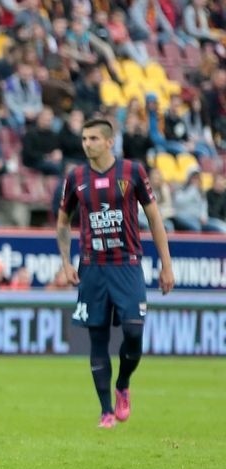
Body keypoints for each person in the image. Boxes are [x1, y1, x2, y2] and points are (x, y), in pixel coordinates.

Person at [56, 118, 174, 429]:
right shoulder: (76, 177)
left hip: (128, 265)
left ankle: (123, 384)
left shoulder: (132, 172)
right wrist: (67, 263)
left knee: (134, 333)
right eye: (84, 138)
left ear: (110, 142)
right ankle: (106, 410)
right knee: (97, 339)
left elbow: (155, 218)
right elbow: (62, 222)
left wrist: (166, 264)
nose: (87, 143)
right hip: (93, 268)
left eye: (93, 138)